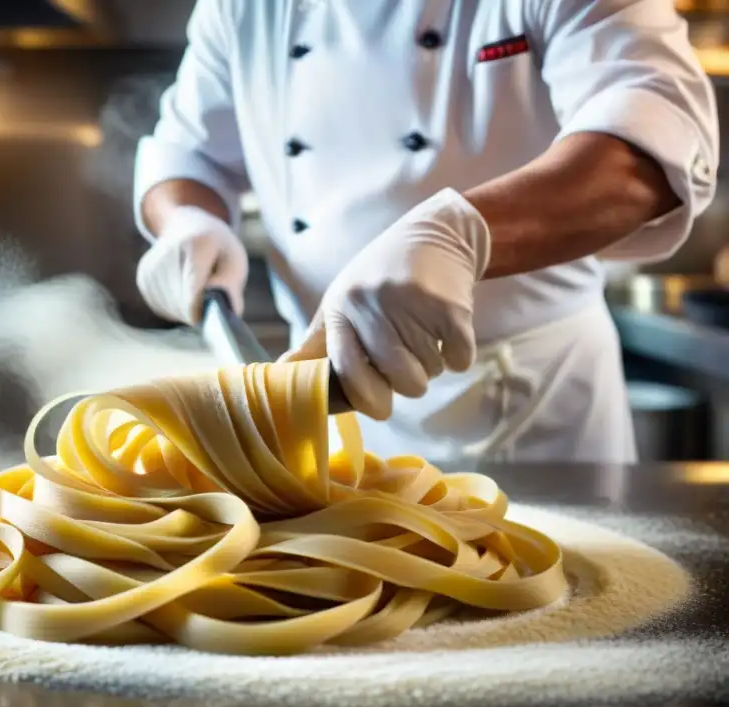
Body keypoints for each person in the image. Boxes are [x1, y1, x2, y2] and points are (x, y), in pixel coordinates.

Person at [132, 0, 718, 464]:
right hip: (326, 411)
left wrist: (461, 235)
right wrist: (188, 220)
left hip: (529, 412)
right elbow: (186, 154)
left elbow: (654, 141)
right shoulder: (240, 7)